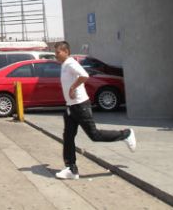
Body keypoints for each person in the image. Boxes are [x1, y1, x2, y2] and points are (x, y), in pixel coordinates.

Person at [54, 41, 136, 180]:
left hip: (80, 106)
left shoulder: (70, 63)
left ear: (66, 52)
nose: (56, 55)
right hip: (71, 107)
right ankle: (71, 169)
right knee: (68, 137)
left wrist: (73, 88)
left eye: (58, 52)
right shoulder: (64, 65)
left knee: (94, 135)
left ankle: (125, 134)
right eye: (55, 52)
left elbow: (85, 75)